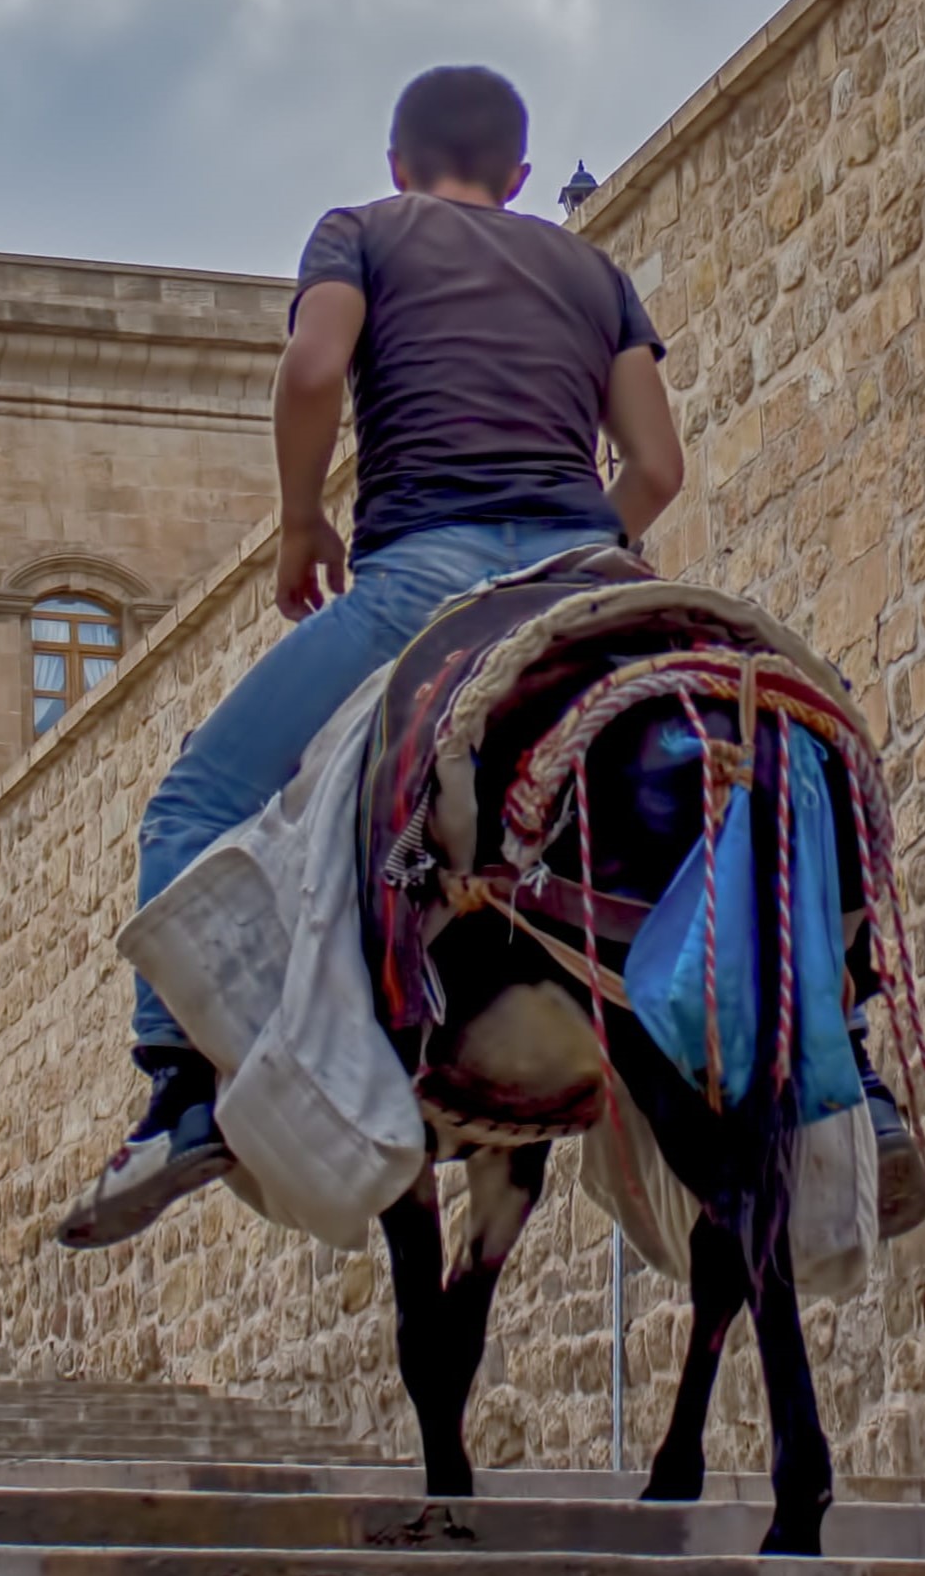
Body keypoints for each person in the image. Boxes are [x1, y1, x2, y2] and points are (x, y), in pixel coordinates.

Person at [58, 65, 684, 1248]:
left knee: (190, 804)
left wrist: (301, 523)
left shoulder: (359, 230)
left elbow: (308, 372)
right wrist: (584, 550)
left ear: (398, 162)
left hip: (424, 582)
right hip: (588, 578)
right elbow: (654, 468)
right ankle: (840, 1069)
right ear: (515, 172)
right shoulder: (592, 270)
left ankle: (180, 1095)